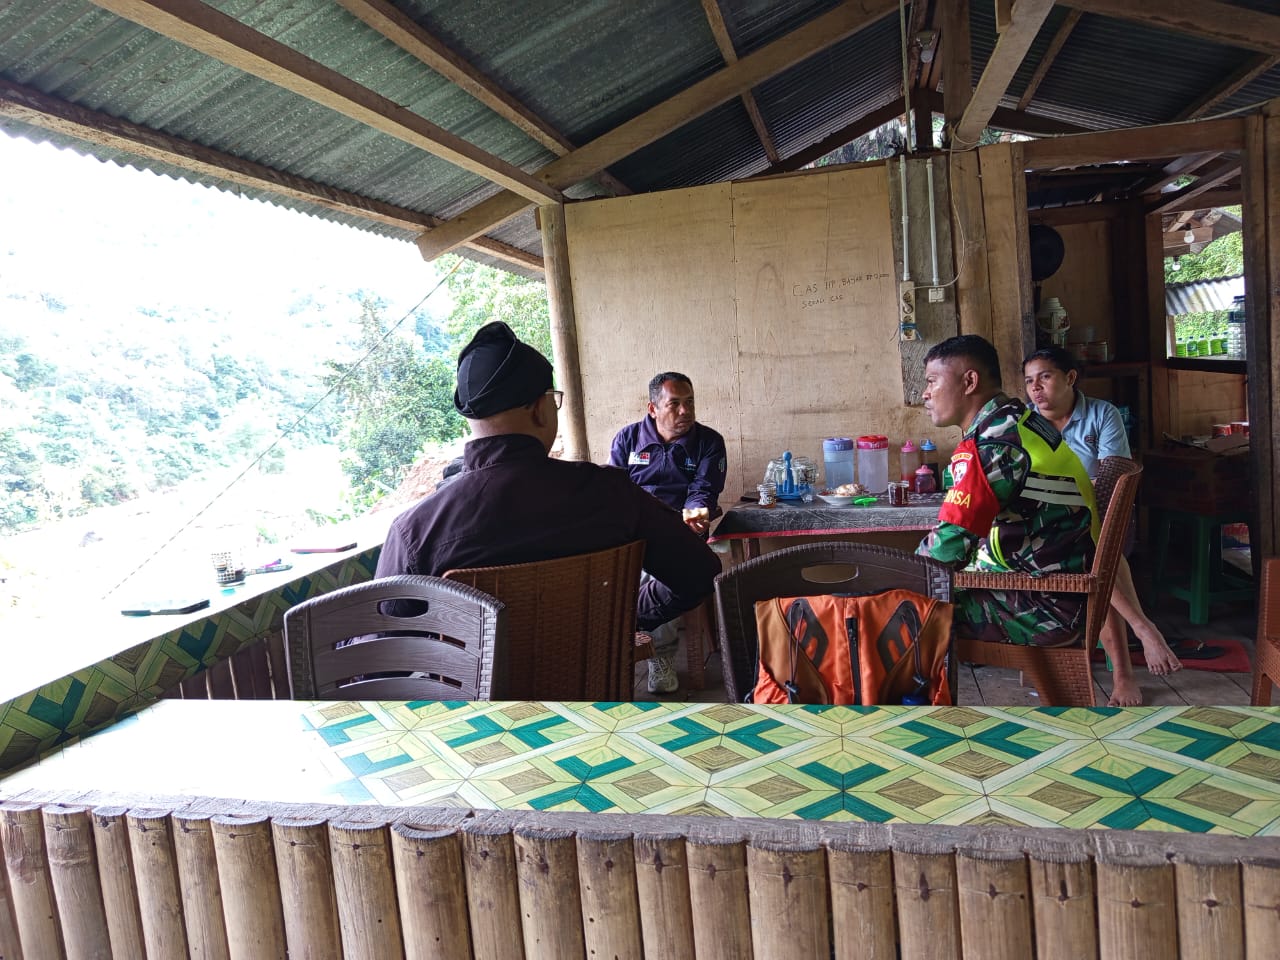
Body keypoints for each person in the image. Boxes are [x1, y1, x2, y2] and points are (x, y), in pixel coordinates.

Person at [377, 322, 720, 668]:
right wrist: (621, 616)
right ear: (541, 409)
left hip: (476, 716)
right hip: (595, 710)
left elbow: (382, 647)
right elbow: (700, 572)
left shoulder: (414, 530)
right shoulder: (611, 493)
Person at [915, 334, 1142, 706]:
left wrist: (896, 582)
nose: (925, 394)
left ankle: (910, 726)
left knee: (904, 610)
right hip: (1063, 591)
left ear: (969, 382)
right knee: (914, 594)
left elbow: (950, 544)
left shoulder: (994, 443)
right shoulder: (1021, 421)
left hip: (1047, 606)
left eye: (931, 381)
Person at [1023, 346, 1181, 676]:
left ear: (1070, 377)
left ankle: (1126, 666)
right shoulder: (1025, 423)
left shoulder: (1101, 414)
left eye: (1045, 377)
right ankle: (1142, 632)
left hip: (1103, 516)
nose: (1035, 388)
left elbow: (1111, 479)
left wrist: (1071, 493)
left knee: (1096, 546)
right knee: (1099, 555)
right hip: (1047, 528)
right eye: (1029, 381)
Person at [609, 372, 727, 692]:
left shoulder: (709, 442)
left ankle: (657, 654)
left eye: (689, 403)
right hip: (632, 530)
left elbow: (703, 490)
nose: (685, 411)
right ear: (653, 408)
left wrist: (697, 511)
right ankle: (622, 641)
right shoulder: (627, 440)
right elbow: (614, 492)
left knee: (660, 570)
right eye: (674, 404)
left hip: (680, 529)